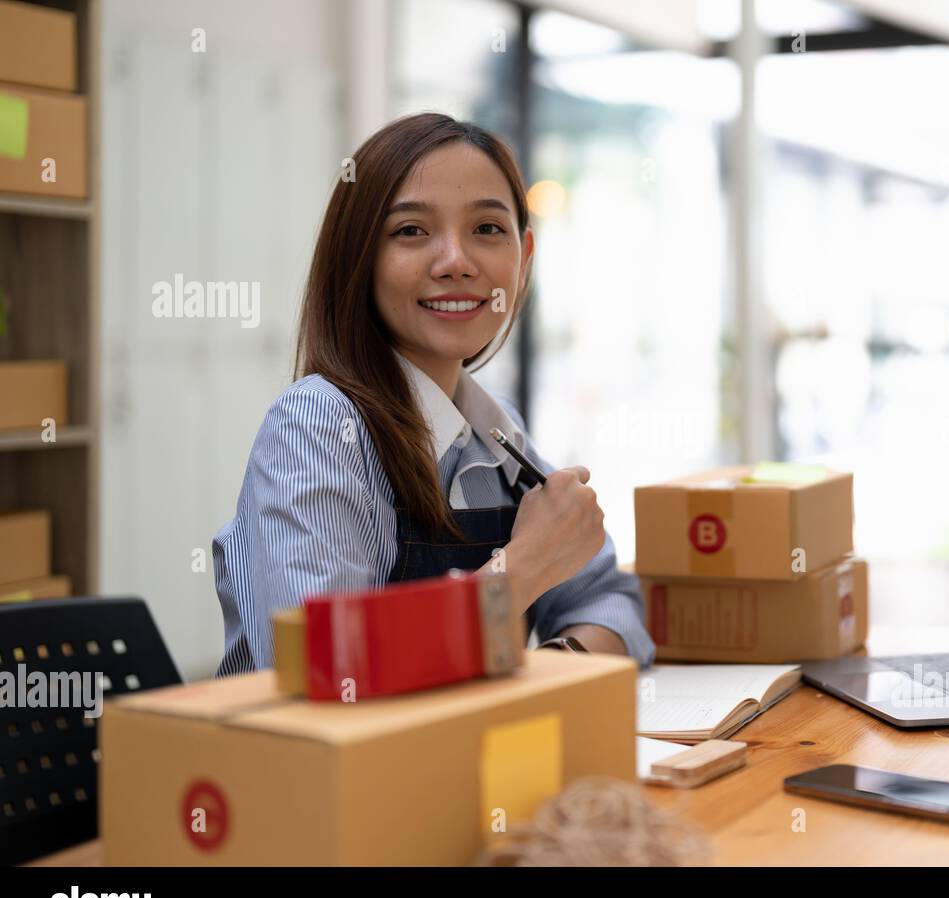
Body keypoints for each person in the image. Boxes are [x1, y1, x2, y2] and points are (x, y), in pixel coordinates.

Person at [213, 113, 654, 677]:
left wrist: (552, 666)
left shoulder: (496, 432)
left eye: (487, 229)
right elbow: (328, 670)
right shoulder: (318, 424)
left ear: (525, 259)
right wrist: (520, 571)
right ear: (360, 259)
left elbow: (614, 606)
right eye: (411, 232)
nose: (456, 263)